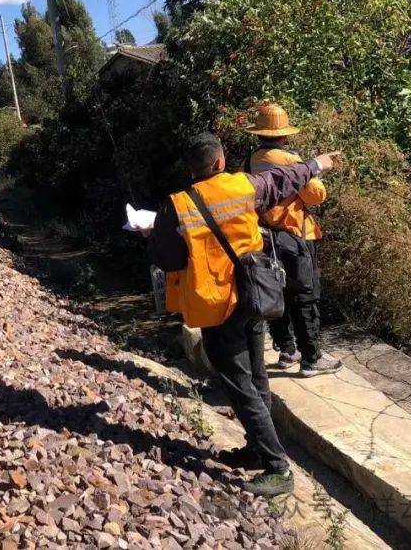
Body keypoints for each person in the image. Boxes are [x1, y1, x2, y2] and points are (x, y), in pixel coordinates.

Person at [143, 133, 343, 497]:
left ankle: (278, 468)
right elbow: (284, 179)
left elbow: (168, 260)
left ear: (191, 168)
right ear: (220, 162)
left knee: (239, 384)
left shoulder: (176, 206)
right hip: (253, 296)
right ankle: (257, 450)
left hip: (216, 305)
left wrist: (152, 233)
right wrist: (316, 163)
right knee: (256, 376)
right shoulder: (244, 186)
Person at [245, 102, 341, 377]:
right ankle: (311, 358)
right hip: (296, 236)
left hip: (265, 236)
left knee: (276, 291)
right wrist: (314, 170)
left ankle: (287, 350)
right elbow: (316, 195)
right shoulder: (290, 161)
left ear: (258, 132)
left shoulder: (250, 160)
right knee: (305, 295)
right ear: (285, 134)